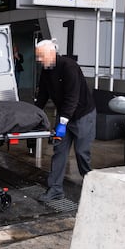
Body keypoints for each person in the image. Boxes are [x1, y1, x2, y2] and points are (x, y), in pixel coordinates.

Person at [34, 39, 96, 202]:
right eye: (37, 57)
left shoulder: (69, 67)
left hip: (83, 115)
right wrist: (34, 114)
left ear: (51, 53)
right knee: (59, 151)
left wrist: (62, 123)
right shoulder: (46, 70)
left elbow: (72, 97)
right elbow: (42, 95)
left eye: (41, 56)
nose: (38, 60)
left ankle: (92, 187)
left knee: (82, 153)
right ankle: (55, 189)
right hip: (65, 115)